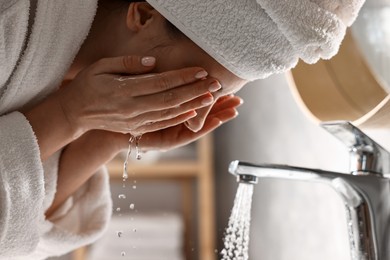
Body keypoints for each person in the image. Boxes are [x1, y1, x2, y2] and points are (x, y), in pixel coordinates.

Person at [0, 0, 364, 258]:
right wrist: (68, 114)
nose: (191, 119)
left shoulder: (57, 70)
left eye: (206, 97)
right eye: (192, 84)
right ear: (143, 15)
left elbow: (22, 217)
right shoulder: (9, 22)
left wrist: (105, 138)